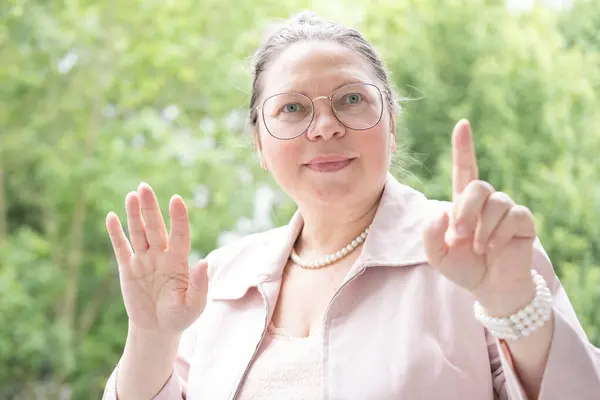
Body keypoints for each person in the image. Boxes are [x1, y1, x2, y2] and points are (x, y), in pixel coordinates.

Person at [102, 11, 600, 400]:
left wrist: (514, 303)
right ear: (259, 143)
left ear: (392, 121)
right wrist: (149, 336)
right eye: (292, 108)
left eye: (352, 100)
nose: (325, 126)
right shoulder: (218, 284)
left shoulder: (474, 249)